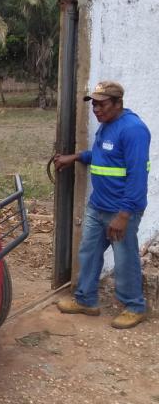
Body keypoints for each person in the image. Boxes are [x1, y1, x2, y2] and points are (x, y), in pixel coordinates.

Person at [54, 81, 151, 329]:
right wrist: (76, 156)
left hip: (120, 210)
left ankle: (134, 306)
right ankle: (87, 300)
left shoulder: (133, 130)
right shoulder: (106, 126)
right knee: (88, 252)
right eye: (94, 104)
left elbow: (137, 176)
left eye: (102, 104)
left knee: (124, 259)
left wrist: (124, 215)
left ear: (118, 103)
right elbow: (102, 157)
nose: (96, 109)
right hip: (98, 207)